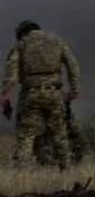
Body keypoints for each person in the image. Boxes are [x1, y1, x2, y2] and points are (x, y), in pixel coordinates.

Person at [1, 20, 81, 168]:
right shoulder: (56, 41)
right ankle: (66, 170)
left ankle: (23, 172)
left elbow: (11, 76)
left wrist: (4, 96)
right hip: (55, 93)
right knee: (59, 133)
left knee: (27, 135)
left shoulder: (21, 45)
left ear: (22, 33)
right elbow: (73, 65)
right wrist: (74, 89)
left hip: (31, 94)